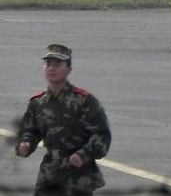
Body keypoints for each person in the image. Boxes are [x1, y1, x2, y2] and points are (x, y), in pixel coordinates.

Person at [16, 44, 112, 196]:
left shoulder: (84, 101)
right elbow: (30, 130)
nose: (51, 69)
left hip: (78, 175)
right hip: (49, 173)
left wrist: (83, 154)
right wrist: (26, 143)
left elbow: (102, 135)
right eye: (48, 64)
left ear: (68, 69)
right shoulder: (38, 102)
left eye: (57, 64)